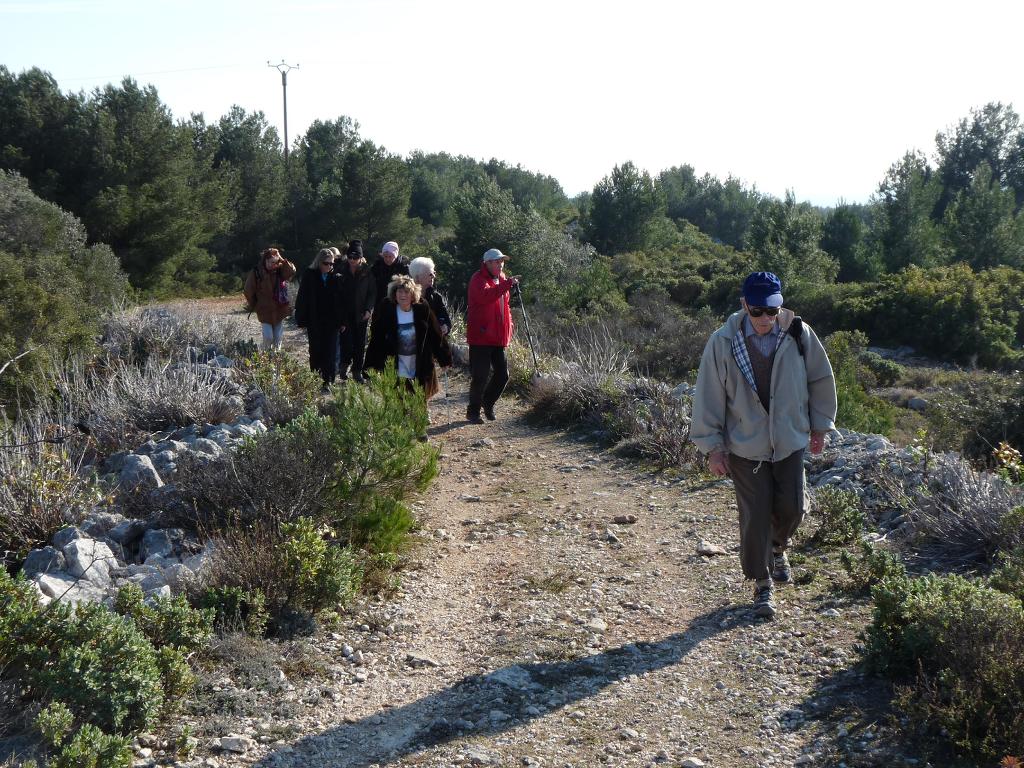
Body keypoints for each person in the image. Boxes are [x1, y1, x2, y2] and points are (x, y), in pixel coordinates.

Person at [691, 271, 837, 619]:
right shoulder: (722, 342)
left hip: (790, 439)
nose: (765, 319)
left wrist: (820, 426)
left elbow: (820, 379)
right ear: (744, 305)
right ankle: (762, 585)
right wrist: (713, 446)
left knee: (793, 508)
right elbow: (709, 395)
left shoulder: (799, 334)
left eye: (771, 311)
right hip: (745, 446)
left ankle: (778, 546)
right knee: (754, 516)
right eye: (757, 311)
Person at [365, 275, 452, 401]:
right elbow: (377, 337)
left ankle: (421, 415)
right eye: (399, 292)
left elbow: (435, 334)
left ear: (413, 294)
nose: (402, 295)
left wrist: (444, 358)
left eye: (406, 292)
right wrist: (371, 364)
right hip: (395, 359)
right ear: (394, 294)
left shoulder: (422, 308)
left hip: (418, 359)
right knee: (397, 395)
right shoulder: (387, 309)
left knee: (419, 391)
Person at [465, 248, 518, 424]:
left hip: (497, 335)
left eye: (501, 261)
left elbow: (505, 305)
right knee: (480, 375)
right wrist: (506, 285)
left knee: (503, 374)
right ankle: (473, 412)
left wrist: (509, 325)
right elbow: (485, 297)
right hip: (481, 336)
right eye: (496, 261)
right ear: (486, 263)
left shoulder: (502, 279)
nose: (500, 264)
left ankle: (487, 403)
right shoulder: (478, 279)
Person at [294, 248, 346, 393]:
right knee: (315, 350)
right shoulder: (309, 275)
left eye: (331, 264)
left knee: (330, 351)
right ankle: (315, 380)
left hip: (332, 321)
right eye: (326, 263)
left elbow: (341, 301)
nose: (329, 266)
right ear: (319, 262)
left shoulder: (336, 276)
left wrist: (343, 321)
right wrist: (301, 319)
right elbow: (302, 298)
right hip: (314, 320)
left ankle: (328, 381)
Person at [336, 239, 376, 382]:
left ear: (361, 258)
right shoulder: (340, 270)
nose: (352, 260)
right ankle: (343, 366)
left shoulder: (367, 271)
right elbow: (337, 294)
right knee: (346, 342)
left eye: (356, 257)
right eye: (350, 257)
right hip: (345, 313)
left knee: (359, 344)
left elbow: (372, 293)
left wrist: (368, 310)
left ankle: (357, 371)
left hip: (361, 314)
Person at [243, 247, 296, 351]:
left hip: (279, 309)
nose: (273, 265)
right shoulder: (257, 272)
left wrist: (281, 259)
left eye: (275, 262)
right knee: (268, 337)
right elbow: (248, 290)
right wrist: (255, 305)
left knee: (277, 338)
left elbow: (292, 271)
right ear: (265, 260)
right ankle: (266, 358)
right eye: (271, 262)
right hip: (264, 311)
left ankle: (276, 359)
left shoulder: (280, 270)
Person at [408, 256, 451, 335]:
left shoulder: (436, 297)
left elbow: (446, 320)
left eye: (434, 273)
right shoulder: (406, 297)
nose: (434, 276)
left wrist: (445, 327)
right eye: (430, 274)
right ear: (417, 278)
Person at [370, 240, 409, 306]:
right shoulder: (377, 267)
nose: (387, 259)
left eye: (390, 256)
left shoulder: (403, 268)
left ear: (395, 255)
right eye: (385, 256)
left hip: (397, 303)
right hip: (379, 302)